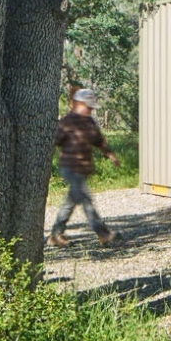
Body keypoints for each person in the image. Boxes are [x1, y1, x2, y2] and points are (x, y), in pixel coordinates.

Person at [49, 88, 121, 247]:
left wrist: (110, 155)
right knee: (86, 201)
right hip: (69, 167)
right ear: (77, 104)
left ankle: (55, 235)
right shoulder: (67, 121)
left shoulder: (89, 122)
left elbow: (98, 140)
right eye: (88, 106)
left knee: (70, 202)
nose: (90, 110)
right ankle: (103, 234)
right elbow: (55, 140)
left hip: (83, 168)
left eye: (91, 107)